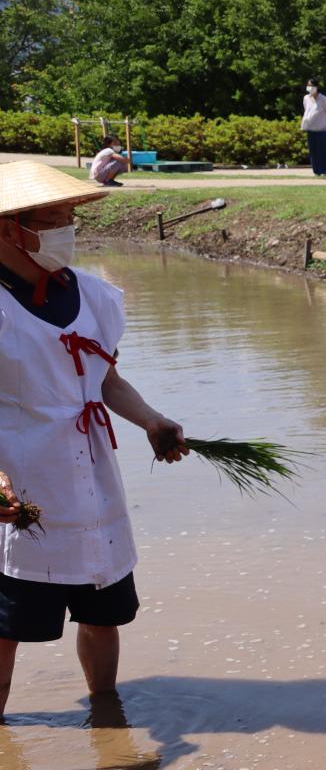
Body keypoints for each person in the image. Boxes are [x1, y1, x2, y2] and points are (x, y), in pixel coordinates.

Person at [0, 162, 188, 722]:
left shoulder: (94, 296)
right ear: (12, 229)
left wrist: (152, 421)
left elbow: (104, 379)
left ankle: (107, 714)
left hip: (91, 473)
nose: (67, 232)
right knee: (6, 624)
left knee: (102, 612)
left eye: (69, 219)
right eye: (53, 220)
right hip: (20, 484)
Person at [300, 79, 326, 177]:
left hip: (323, 129)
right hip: (311, 129)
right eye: (308, 85)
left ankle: (325, 172)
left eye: (311, 85)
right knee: (313, 152)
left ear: (317, 87)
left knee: (323, 151)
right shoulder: (306, 98)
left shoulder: (324, 99)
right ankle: (317, 171)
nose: (309, 87)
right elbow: (307, 110)